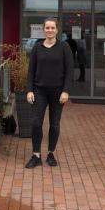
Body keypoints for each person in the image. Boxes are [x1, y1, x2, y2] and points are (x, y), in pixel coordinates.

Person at [25, 18, 74, 169]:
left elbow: (69, 70)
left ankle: (51, 153)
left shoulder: (64, 47)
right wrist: (29, 90)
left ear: (57, 30)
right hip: (39, 90)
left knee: (54, 123)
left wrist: (66, 90)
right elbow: (31, 71)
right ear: (44, 29)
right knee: (36, 123)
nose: (50, 30)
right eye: (47, 27)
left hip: (58, 91)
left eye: (53, 28)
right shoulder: (37, 47)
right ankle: (36, 155)